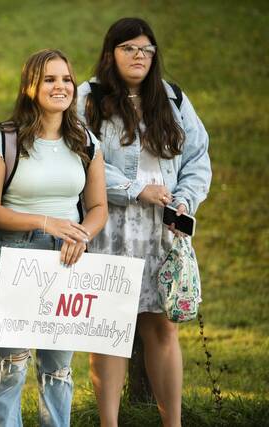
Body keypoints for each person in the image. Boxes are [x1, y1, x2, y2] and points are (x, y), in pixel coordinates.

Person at [77, 17, 211, 427]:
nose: (139, 57)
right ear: (111, 53)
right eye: (129, 49)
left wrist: (185, 201)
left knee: (163, 329)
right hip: (109, 226)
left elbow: (197, 159)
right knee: (109, 330)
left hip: (162, 232)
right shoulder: (88, 97)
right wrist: (136, 189)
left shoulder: (173, 98)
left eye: (146, 50)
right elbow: (82, 157)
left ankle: (173, 423)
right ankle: (109, 423)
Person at [0, 49, 108, 427]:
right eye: (50, 79)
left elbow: (98, 206)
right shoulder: (3, 140)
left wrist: (82, 234)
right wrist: (45, 222)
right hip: (15, 256)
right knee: (13, 361)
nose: (60, 86)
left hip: (69, 258)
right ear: (30, 86)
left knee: (59, 366)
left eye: (66, 79)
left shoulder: (86, 141)